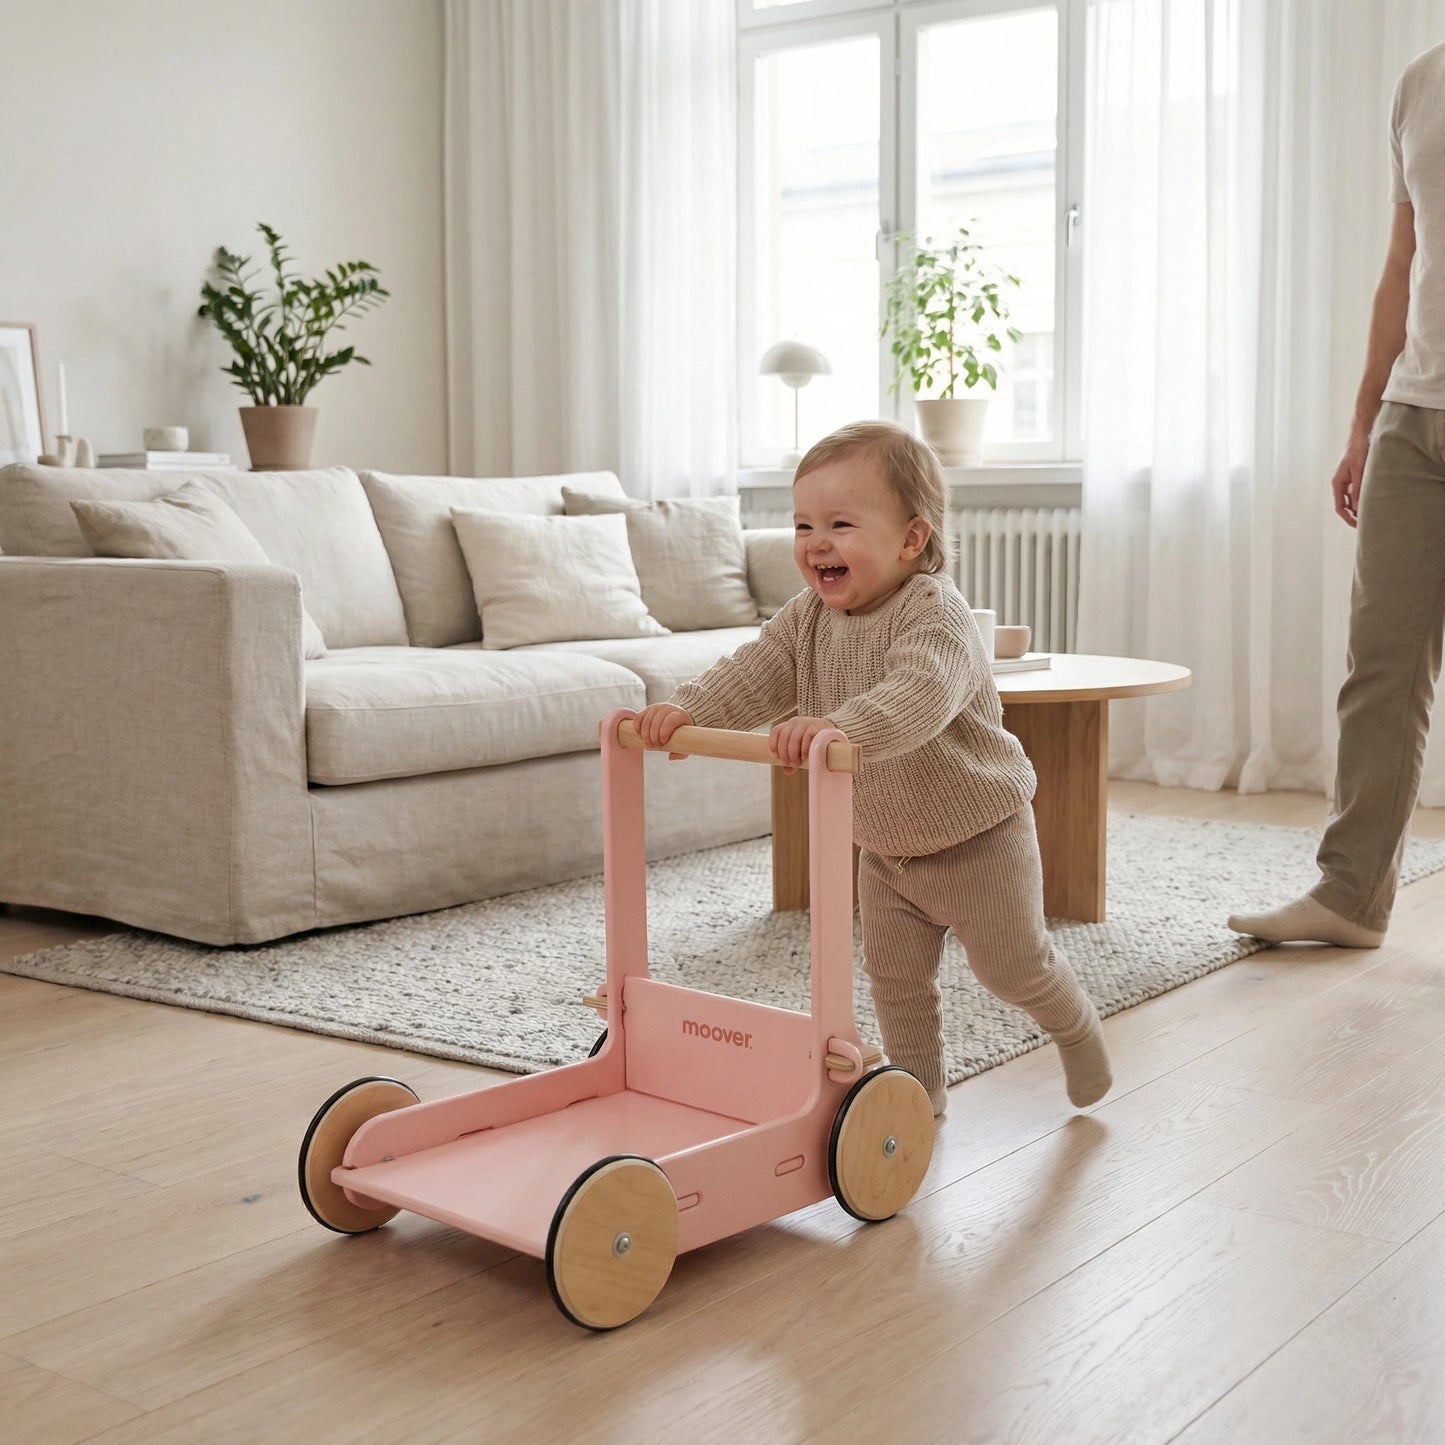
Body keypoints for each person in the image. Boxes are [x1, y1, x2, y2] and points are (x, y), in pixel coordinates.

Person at [634, 420, 1111, 1116]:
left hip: (978, 832)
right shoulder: (806, 618)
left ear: (910, 539)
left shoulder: (934, 614)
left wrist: (836, 725)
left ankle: (1075, 1025)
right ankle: (917, 1103)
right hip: (885, 847)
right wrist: (689, 709)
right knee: (894, 980)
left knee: (1012, 966)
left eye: (839, 524)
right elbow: (756, 671)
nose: (814, 542)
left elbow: (916, 696)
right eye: (802, 525)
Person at [1229, 42, 1445, 949]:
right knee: (1379, 667)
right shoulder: (1418, 81)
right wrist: (1365, 419)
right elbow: (1402, 263)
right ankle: (1349, 895)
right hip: (1413, 410)